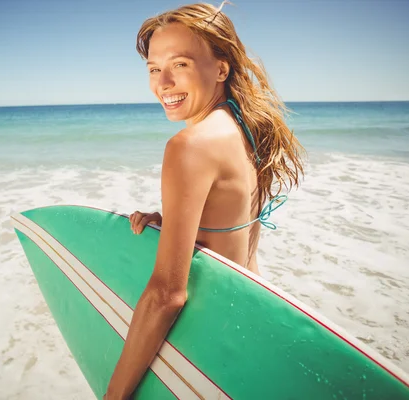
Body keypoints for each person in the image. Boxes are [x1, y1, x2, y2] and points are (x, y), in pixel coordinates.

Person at [104, 2, 305, 398]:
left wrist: (113, 396)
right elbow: (234, 215)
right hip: (251, 313)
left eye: (179, 64)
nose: (162, 83)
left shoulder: (189, 146)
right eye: (153, 69)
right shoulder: (246, 127)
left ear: (220, 68)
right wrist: (178, 219)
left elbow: (167, 294)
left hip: (211, 335)